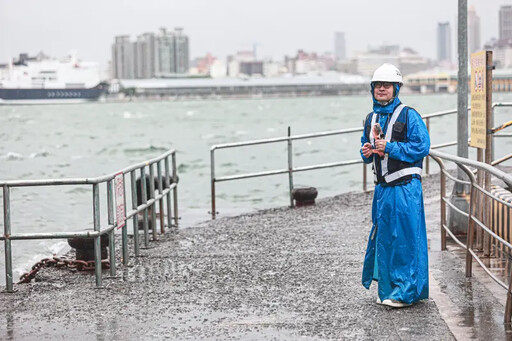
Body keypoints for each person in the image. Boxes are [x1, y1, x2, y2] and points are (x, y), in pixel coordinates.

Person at [360, 63, 430, 308]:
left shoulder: (410, 115)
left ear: (396, 88)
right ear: (372, 89)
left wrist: (388, 147)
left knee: (406, 240)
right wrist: (368, 152)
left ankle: (406, 293)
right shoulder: (371, 118)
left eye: (386, 85)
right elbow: (367, 151)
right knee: (385, 240)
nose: (381, 89)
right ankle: (389, 290)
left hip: (405, 188)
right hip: (383, 190)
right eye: (377, 85)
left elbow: (422, 147)